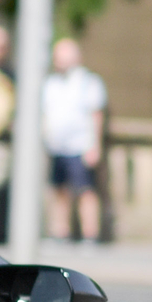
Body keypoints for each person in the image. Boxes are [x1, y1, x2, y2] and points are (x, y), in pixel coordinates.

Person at [42, 37, 108, 243]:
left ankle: (90, 233)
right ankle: (60, 231)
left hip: (80, 145)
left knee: (85, 190)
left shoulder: (89, 82)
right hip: (56, 146)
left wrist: (95, 145)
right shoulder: (50, 83)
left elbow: (96, 115)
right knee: (59, 190)